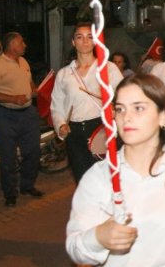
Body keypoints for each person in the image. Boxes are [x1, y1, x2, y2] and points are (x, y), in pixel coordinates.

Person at [66, 74, 165, 266]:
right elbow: (76, 249)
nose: (126, 117)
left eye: (139, 108)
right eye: (120, 109)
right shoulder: (99, 176)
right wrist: (98, 237)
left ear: (162, 116)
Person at [51, 23, 124, 183]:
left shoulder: (108, 68)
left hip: (101, 128)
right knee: (82, 180)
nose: (85, 41)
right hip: (74, 133)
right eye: (79, 37)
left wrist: (116, 109)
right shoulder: (64, 74)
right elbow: (57, 105)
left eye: (90, 37)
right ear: (73, 42)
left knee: (106, 178)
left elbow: (125, 95)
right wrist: (61, 125)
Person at [0, 32, 42, 207]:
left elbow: (29, 81)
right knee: (8, 157)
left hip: (28, 113)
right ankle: (10, 193)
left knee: (33, 152)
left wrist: (33, 89)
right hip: (4, 115)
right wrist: (12, 99)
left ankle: (27, 186)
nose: (24, 45)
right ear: (12, 45)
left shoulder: (23, 62)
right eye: (21, 42)